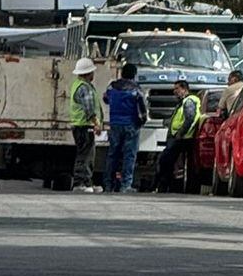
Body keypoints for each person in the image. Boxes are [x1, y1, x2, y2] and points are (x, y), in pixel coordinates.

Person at [102, 62, 148, 192]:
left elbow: (105, 99)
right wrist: (142, 121)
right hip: (131, 125)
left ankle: (108, 185)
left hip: (115, 124)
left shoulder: (112, 87)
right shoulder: (136, 89)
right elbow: (143, 109)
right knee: (129, 155)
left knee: (112, 155)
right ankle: (125, 185)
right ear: (134, 74)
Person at [154, 80, 202, 193]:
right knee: (169, 162)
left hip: (182, 138)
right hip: (180, 137)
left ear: (184, 89)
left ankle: (163, 186)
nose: (174, 91)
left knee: (165, 160)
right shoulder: (184, 102)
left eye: (177, 89)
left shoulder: (189, 101)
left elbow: (189, 118)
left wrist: (180, 133)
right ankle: (167, 186)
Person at [68, 58, 103, 193]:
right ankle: (80, 183)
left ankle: (87, 182)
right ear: (89, 73)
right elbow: (89, 109)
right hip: (84, 125)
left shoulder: (78, 84)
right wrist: (96, 123)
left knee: (87, 154)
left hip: (80, 125)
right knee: (85, 155)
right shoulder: (84, 88)